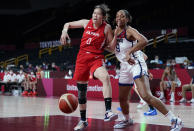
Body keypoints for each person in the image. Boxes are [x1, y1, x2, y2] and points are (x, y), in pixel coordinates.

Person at [112, 9, 182, 130]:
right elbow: (113, 49)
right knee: (123, 98)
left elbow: (144, 40)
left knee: (145, 96)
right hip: (124, 66)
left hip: (135, 63)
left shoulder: (130, 30)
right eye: (117, 16)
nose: (119, 18)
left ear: (127, 19)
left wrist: (129, 52)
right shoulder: (115, 32)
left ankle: (174, 119)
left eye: (122, 16)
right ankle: (127, 120)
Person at [60, 4, 118, 131]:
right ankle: (83, 121)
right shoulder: (86, 23)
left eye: (98, 14)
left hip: (96, 59)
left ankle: (108, 111)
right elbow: (67, 24)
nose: (95, 15)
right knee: (81, 93)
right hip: (81, 59)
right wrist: (64, 31)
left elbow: (112, 49)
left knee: (106, 77)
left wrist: (114, 38)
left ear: (103, 17)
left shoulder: (106, 28)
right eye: (94, 13)